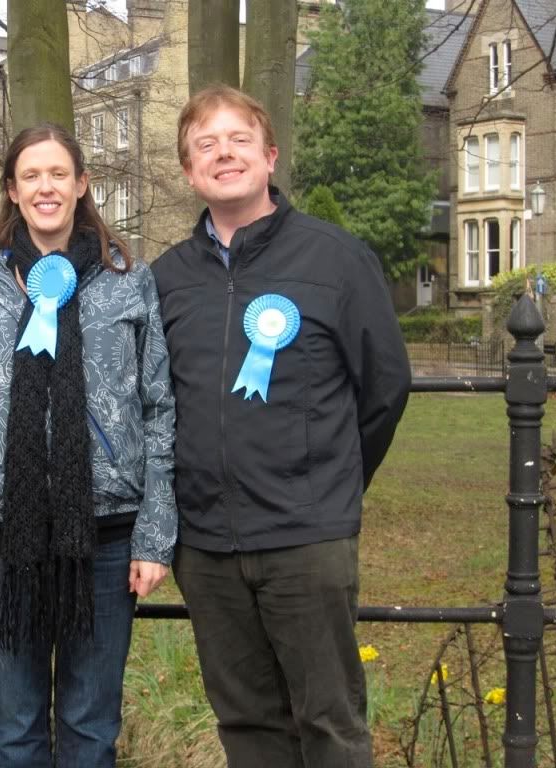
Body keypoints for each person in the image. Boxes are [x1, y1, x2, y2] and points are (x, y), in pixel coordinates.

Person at [150, 85, 411, 767]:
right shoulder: (166, 280)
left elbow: (385, 388)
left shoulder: (336, 260)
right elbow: (151, 403)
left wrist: (328, 486)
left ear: (269, 157)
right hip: (206, 546)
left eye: (238, 139)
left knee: (329, 722)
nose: (223, 153)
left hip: (306, 539)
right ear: (188, 172)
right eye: (205, 144)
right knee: (246, 724)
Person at [0, 122, 176, 767]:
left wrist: (153, 534)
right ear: (11, 190)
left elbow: (159, 407)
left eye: (58, 173)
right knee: (16, 728)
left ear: (82, 184)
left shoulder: (128, 279)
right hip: (1, 537)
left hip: (107, 539)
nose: (46, 187)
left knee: (90, 728)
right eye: (31, 175)